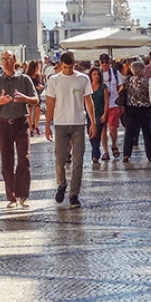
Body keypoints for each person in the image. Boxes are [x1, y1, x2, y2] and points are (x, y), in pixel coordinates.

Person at [0, 50, 39, 209]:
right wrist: (0, 102)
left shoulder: (24, 79)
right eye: (3, 59)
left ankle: (22, 194)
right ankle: (11, 197)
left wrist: (24, 98)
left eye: (8, 59)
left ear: (15, 60)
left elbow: (35, 100)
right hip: (3, 124)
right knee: (7, 161)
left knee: (24, 158)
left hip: (21, 123)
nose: (5, 62)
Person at [45, 52, 96, 208]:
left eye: (70, 67)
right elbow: (50, 104)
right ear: (61, 65)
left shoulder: (83, 79)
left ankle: (74, 194)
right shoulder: (54, 80)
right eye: (65, 67)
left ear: (75, 64)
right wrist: (47, 125)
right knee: (60, 159)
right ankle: (61, 184)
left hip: (78, 124)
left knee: (78, 162)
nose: (68, 70)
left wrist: (92, 122)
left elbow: (88, 101)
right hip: (60, 124)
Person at [121, 60, 151, 164]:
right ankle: (149, 154)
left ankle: (126, 154)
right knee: (146, 132)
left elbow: (121, 91)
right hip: (144, 108)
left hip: (130, 108)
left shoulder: (127, 80)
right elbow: (150, 95)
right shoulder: (146, 82)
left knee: (129, 132)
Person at [100, 54, 126, 158]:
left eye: (106, 62)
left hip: (113, 103)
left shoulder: (115, 73)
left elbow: (121, 85)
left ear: (110, 62)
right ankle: (105, 151)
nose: (104, 64)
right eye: (102, 62)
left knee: (112, 127)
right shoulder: (97, 73)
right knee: (102, 129)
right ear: (100, 62)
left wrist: (118, 96)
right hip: (101, 105)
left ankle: (114, 144)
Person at [87, 67, 109, 165]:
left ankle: (95, 155)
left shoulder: (103, 87)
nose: (96, 76)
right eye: (94, 74)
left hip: (99, 113)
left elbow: (106, 102)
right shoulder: (87, 87)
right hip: (89, 113)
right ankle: (96, 151)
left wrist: (105, 114)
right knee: (91, 134)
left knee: (96, 133)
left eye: (98, 74)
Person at [24, 60, 44, 136]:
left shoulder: (38, 75)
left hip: (37, 95)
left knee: (38, 111)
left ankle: (36, 126)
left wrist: (41, 86)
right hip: (29, 95)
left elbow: (41, 85)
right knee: (30, 112)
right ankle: (30, 128)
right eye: (37, 67)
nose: (38, 68)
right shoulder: (27, 76)